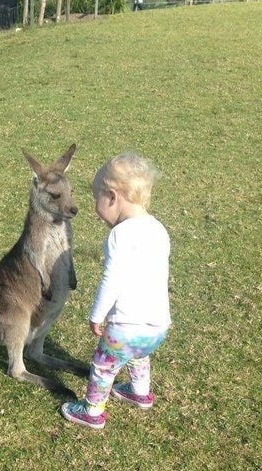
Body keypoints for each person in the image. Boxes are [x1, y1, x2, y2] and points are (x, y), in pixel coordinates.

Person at [61, 152, 171, 430]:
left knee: (103, 366)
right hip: (158, 327)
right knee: (138, 355)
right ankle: (140, 393)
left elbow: (112, 279)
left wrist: (97, 316)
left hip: (125, 328)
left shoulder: (120, 235)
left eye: (96, 200)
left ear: (111, 196)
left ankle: (92, 411)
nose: (97, 211)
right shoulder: (158, 229)